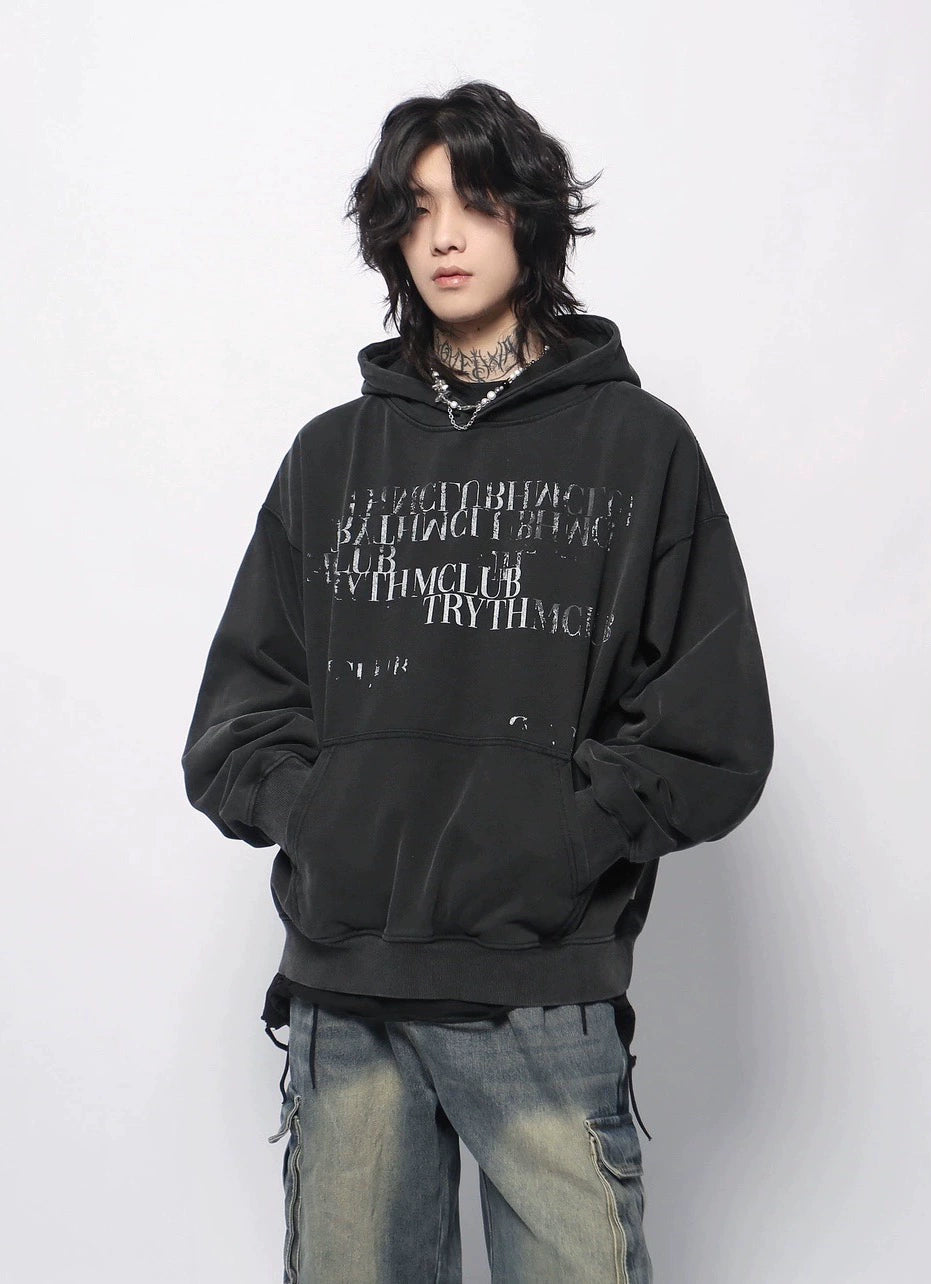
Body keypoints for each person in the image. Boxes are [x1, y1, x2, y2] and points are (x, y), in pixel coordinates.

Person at [181, 80, 774, 1284]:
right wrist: (331, 822)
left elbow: (713, 732)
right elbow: (237, 723)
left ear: (531, 217)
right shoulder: (331, 458)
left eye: (476, 201)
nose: (443, 235)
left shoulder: (638, 447)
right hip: (350, 993)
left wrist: (559, 844)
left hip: (540, 998)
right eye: (415, 209)